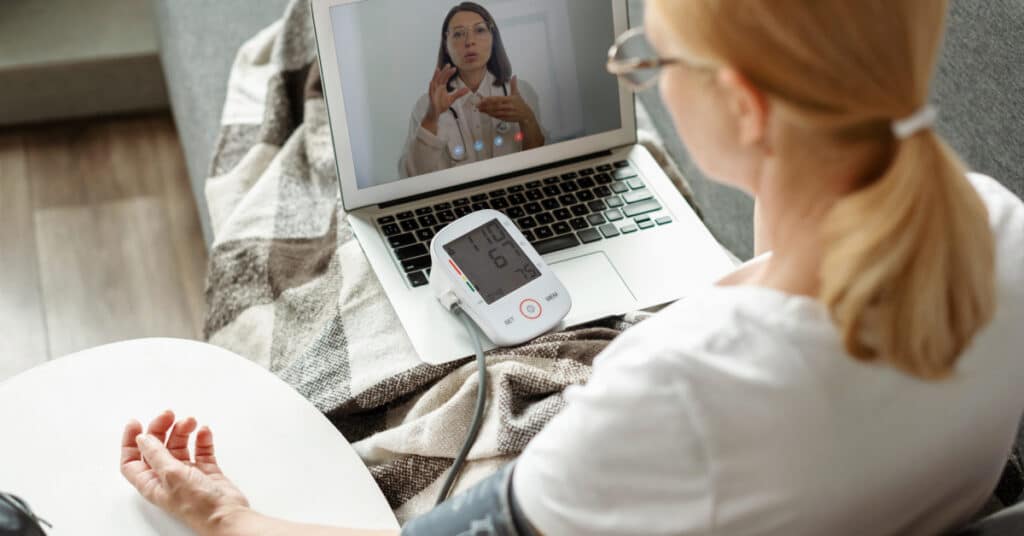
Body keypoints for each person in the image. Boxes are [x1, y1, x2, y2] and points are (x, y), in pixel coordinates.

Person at [120, 0, 1024, 534]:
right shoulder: (998, 229)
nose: (644, 78)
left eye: (653, 58)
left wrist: (228, 515)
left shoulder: (681, 385)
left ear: (747, 108)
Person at [398, 2, 545, 178]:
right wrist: (431, 118)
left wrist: (527, 118)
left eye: (480, 30)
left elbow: (540, 165)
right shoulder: (425, 106)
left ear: (493, 38)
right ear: (446, 44)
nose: (469, 42)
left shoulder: (522, 91)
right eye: (459, 34)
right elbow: (410, 177)